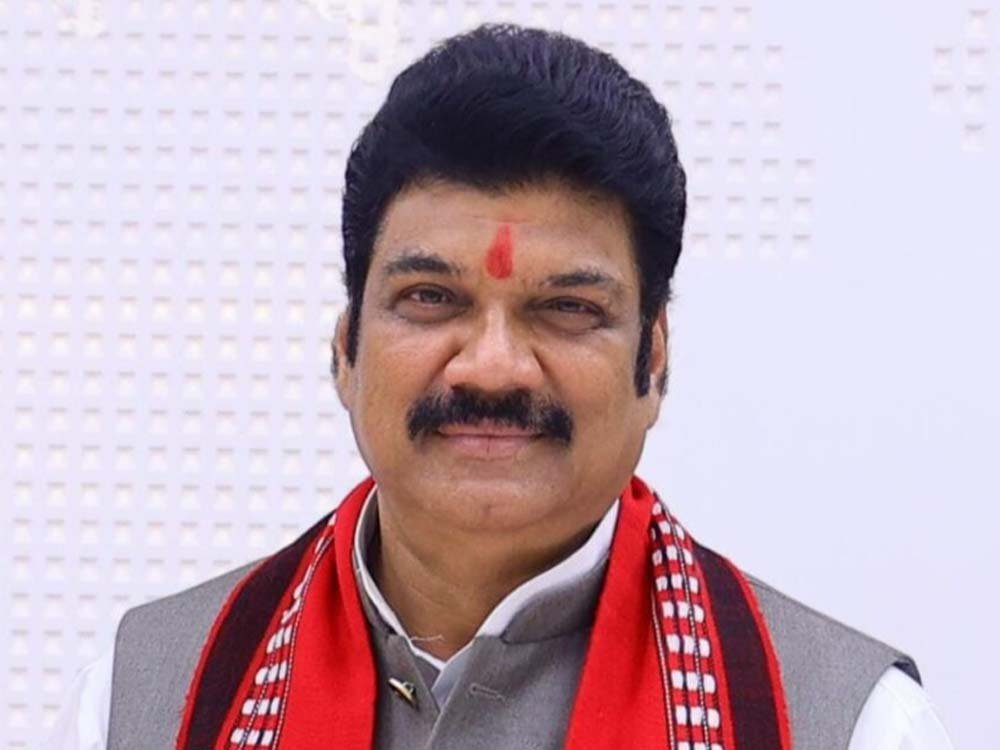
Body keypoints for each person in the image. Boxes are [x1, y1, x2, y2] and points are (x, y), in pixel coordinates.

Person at [45, 23, 953, 750]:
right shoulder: (146, 701)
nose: (492, 367)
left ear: (655, 360)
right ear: (346, 349)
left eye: (566, 309)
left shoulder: (847, 723)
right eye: (430, 298)